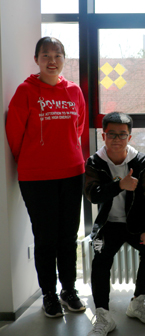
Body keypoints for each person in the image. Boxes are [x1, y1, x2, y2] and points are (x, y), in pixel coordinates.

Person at [6, 37, 86, 317]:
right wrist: (35, 159)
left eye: (57, 55)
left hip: (72, 173)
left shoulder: (74, 91)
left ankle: (68, 290)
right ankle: (49, 294)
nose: (52, 61)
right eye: (46, 55)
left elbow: (78, 128)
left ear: (64, 58)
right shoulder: (25, 92)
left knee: (68, 236)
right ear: (37, 59)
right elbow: (14, 135)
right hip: (37, 178)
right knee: (45, 237)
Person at [84, 112, 145, 336]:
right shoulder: (94, 162)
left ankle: (137, 303)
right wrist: (120, 185)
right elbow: (93, 195)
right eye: (112, 134)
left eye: (122, 135)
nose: (117, 139)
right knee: (100, 259)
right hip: (108, 225)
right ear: (103, 135)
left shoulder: (143, 162)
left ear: (129, 137)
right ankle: (103, 315)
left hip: (136, 224)